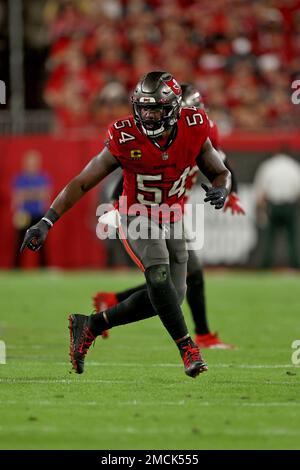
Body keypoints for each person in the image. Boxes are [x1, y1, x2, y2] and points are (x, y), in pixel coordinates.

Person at [21, 71, 231, 378]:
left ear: (173, 108)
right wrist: (46, 220)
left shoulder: (194, 126)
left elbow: (219, 171)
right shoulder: (124, 135)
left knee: (171, 296)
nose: (147, 114)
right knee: (158, 275)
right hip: (136, 212)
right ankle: (188, 349)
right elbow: (82, 182)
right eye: (143, 107)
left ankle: (91, 325)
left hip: (172, 216)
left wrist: (222, 188)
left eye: (155, 107)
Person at [94, 83, 243, 348]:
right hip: (148, 214)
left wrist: (228, 191)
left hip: (172, 213)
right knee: (176, 278)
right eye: (192, 110)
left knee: (175, 281)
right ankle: (201, 337)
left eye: (198, 110)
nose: (197, 116)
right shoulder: (158, 136)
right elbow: (128, 178)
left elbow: (221, 163)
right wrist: (117, 207)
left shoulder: (200, 131)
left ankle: (112, 302)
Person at [254, 153, 300, 268]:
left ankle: (266, 265)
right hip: (289, 205)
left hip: (273, 205)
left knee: (269, 237)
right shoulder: (293, 166)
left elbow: (261, 191)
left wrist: (260, 209)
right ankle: (295, 265)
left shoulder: (269, 166)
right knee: (292, 237)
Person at [12, 150, 52, 268]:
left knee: (41, 243)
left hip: (38, 214)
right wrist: (36, 193)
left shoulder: (43, 177)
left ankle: (43, 267)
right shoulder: (20, 178)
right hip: (24, 215)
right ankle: (16, 267)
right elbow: (17, 197)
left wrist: (27, 194)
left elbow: (46, 195)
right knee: (20, 242)